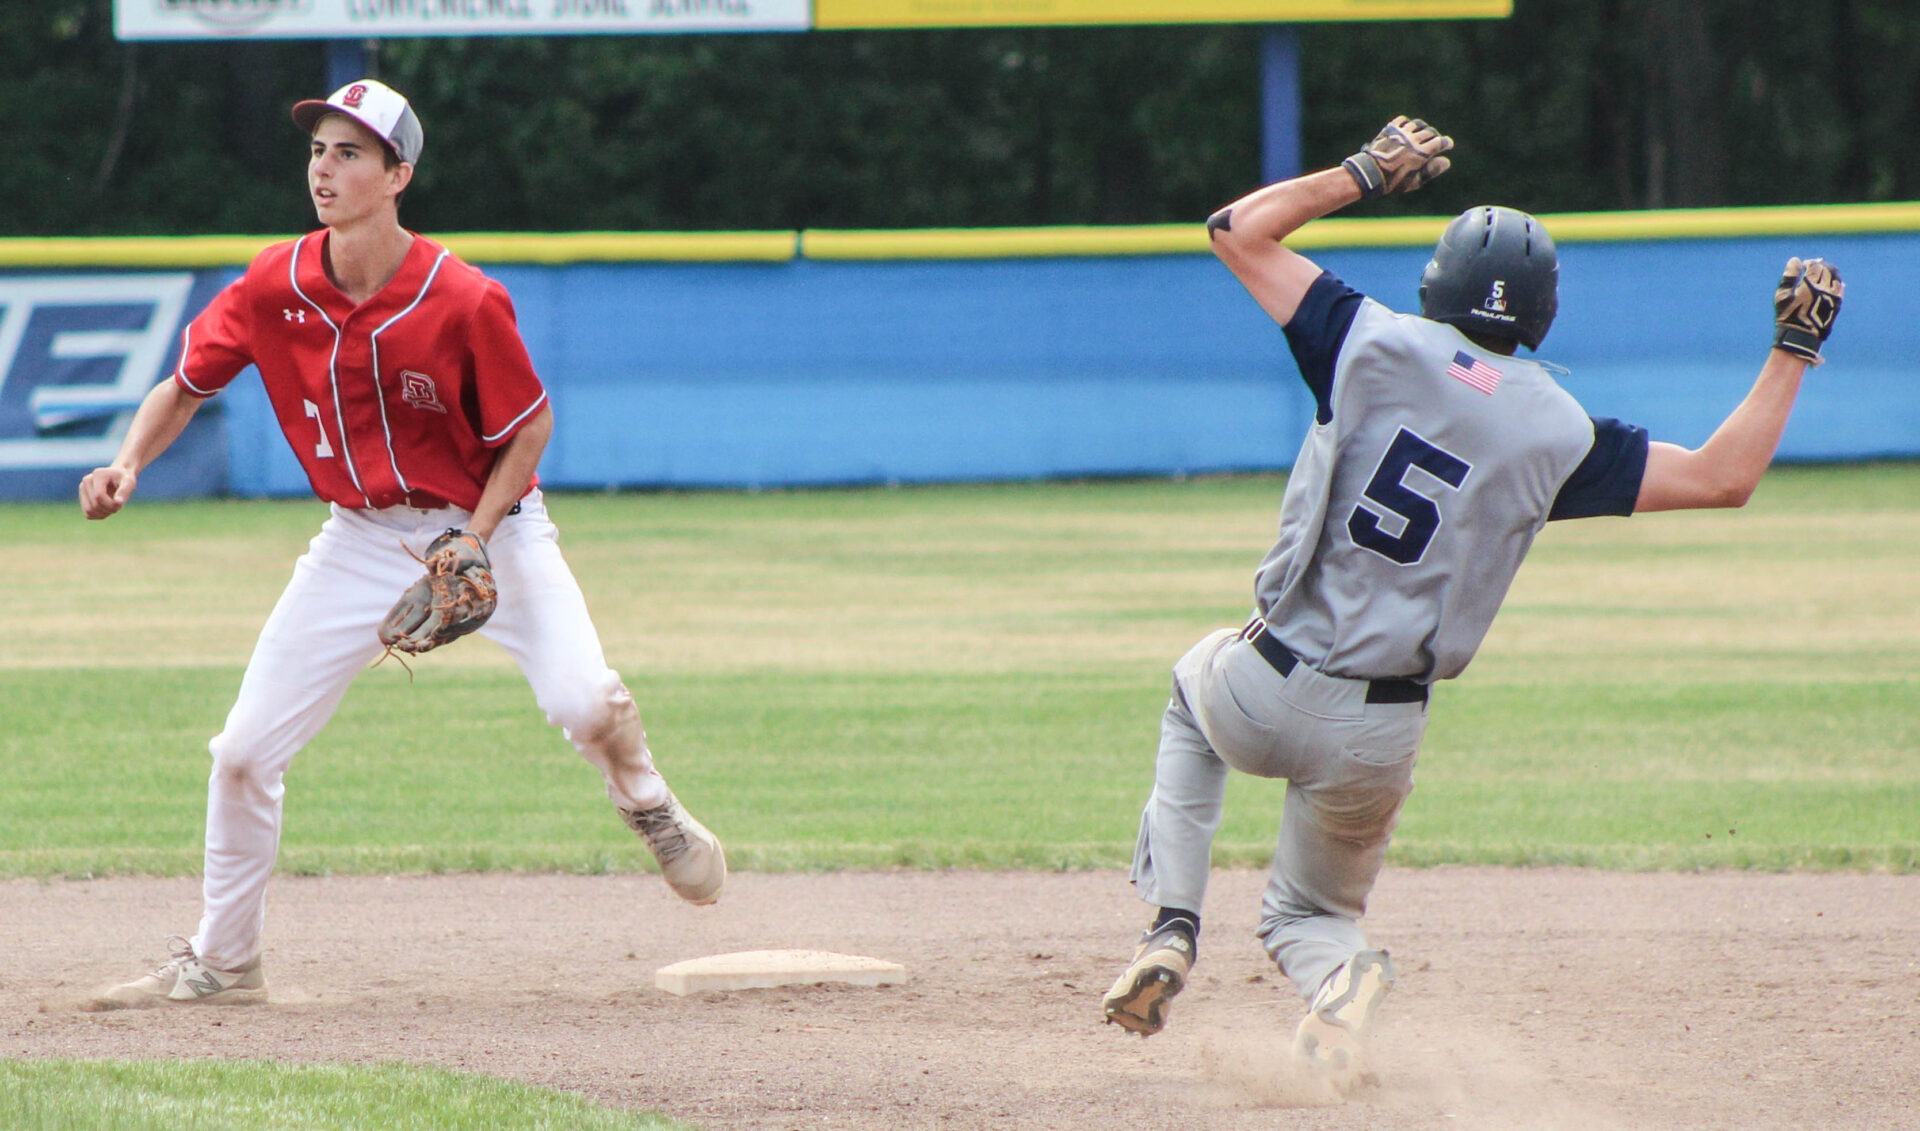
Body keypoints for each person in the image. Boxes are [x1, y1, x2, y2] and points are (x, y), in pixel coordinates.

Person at [1097, 116, 1842, 1093]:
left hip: (1269, 678)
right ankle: (1344, 978)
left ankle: (1172, 928)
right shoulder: (1559, 433)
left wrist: (1366, 171)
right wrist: (1793, 348)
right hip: (1381, 733)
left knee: (1190, 696)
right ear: (1542, 314)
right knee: (1309, 917)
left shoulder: (1365, 341)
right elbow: (1722, 478)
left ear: (1436, 283)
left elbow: (1237, 229)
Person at [78, 79, 727, 1009]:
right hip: (359, 536)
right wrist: (128, 463)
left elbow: (529, 431)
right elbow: (186, 382)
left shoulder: (462, 298)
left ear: (398, 176)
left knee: (588, 702)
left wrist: (474, 534)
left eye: (350, 153)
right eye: (317, 151)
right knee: (244, 753)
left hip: (488, 524)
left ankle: (649, 803)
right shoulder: (277, 282)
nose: (324, 169)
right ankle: (223, 962)